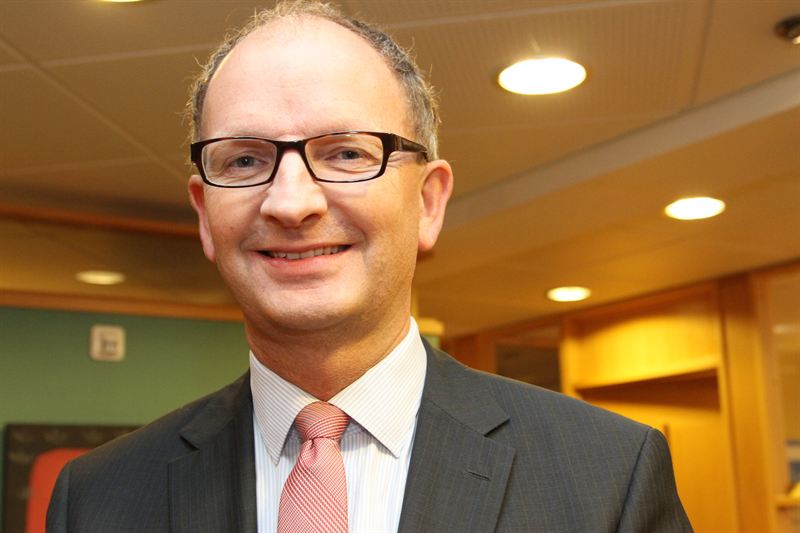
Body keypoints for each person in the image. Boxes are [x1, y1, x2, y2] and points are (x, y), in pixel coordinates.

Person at [46, 1, 692, 532]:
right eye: (244, 160)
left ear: (429, 201)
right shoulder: (97, 499)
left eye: (347, 153)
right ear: (204, 214)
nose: (291, 202)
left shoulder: (608, 476)